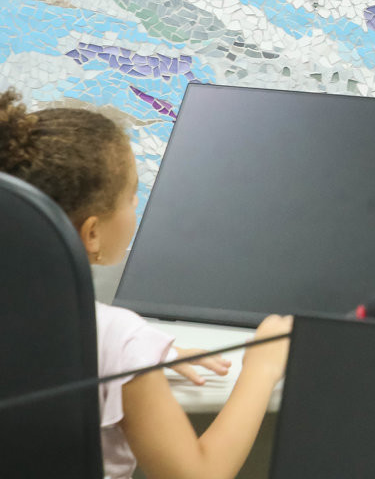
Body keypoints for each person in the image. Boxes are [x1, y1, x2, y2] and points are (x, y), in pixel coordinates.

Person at [0, 88, 291, 479]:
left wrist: (146, 357)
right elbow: (197, 475)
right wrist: (262, 367)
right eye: (131, 195)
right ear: (92, 234)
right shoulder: (114, 337)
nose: (136, 204)